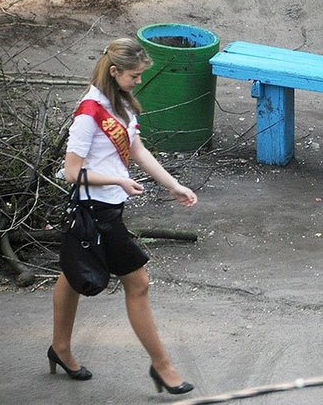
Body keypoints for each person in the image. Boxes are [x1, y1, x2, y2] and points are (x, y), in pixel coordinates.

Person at [48, 37, 197, 395]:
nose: (139, 81)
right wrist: (117, 178)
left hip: (110, 208)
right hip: (92, 213)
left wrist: (172, 185)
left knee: (71, 276)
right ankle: (162, 366)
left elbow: (137, 150)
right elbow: (71, 172)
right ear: (114, 72)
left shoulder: (122, 106)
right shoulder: (89, 113)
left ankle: (61, 348)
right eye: (134, 75)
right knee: (139, 284)